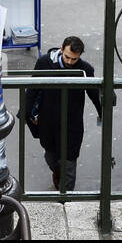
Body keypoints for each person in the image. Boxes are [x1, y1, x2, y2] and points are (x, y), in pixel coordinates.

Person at [25, 36, 102, 192]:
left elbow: (94, 93)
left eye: (74, 59)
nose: (69, 62)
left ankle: (65, 199)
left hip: (71, 123)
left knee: (69, 163)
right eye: (67, 57)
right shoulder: (44, 63)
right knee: (51, 157)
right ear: (61, 49)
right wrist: (27, 113)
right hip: (48, 121)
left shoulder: (85, 70)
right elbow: (32, 89)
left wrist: (102, 112)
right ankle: (57, 172)